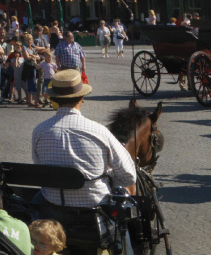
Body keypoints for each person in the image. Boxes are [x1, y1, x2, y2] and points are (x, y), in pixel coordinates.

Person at [32, 70, 137, 208]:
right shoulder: (99, 131)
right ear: (81, 98)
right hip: (95, 207)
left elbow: (40, 166)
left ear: (55, 98)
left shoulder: (39, 131)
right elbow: (129, 176)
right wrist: (108, 175)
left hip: (53, 206)